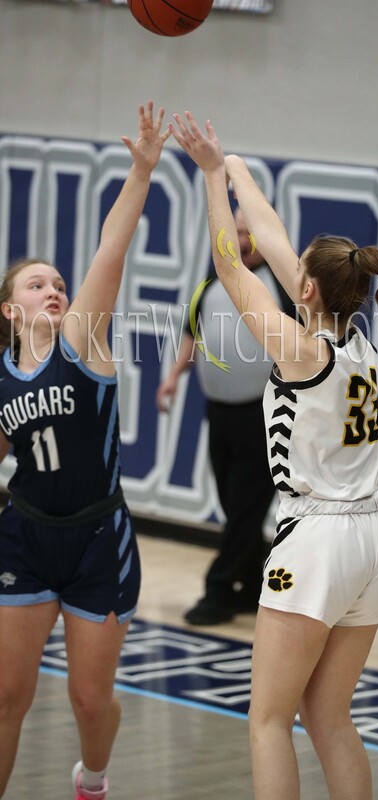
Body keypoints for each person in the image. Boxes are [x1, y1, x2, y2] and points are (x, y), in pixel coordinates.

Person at [167, 111, 378, 800]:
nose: (284, 269)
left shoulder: (300, 348)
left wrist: (213, 178)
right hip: (375, 538)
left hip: (318, 540)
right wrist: (234, 165)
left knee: (268, 721)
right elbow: (275, 243)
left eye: (295, 275)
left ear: (305, 290)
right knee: (330, 717)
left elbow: (231, 259)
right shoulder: (360, 340)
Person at [0, 102, 169, 800]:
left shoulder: (83, 344)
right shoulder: (4, 374)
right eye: (36, 284)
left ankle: (92, 779)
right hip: (26, 535)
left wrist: (141, 171)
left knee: (89, 702)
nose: (54, 289)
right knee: (7, 697)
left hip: (100, 537)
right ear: (10, 309)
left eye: (57, 285)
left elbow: (110, 251)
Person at [157, 207, 294, 626]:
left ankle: (217, 592)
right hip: (218, 413)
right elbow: (192, 331)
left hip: (264, 415)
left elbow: (304, 342)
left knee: (244, 508)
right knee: (235, 506)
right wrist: (173, 377)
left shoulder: (281, 286)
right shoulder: (213, 280)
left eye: (250, 233)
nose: (242, 240)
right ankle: (254, 588)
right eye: (236, 232)